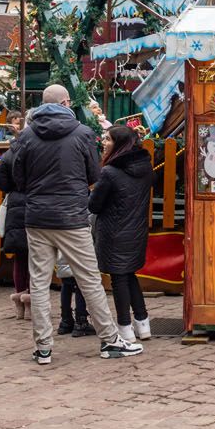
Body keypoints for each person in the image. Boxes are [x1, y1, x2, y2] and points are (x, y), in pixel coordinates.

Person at [13, 84, 141, 364]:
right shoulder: (82, 133)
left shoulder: (27, 135)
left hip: (37, 217)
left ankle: (43, 347)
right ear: (66, 102)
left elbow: (18, 178)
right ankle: (109, 340)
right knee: (89, 279)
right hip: (72, 216)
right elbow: (93, 174)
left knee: (39, 281)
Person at [89, 126, 154, 343]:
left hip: (113, 231)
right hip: (136, 230)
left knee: (119, 278)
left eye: (108, 139)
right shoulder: (145, 168)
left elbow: (94, 205)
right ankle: (143, 323)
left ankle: (125, 326)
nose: (104, 142)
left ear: (119, 144)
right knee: (129, 274)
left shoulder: (109, 172)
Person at [0, 139, 31, 319]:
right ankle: (31, 302)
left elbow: (0, 179)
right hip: (37, 201)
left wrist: (13, 189)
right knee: (37, 256)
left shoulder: (12, 151)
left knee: (20, 256)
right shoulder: (43, 148)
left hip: (16, 203)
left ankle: (19, 302)